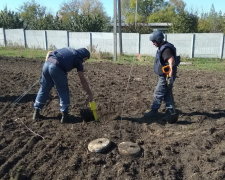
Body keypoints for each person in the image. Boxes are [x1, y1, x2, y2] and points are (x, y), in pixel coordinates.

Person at [32, 47, 93, 123]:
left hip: (47, 63)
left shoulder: (69, 49)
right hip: (57, 68)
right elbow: (82, 79)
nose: (84, 62)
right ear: (85, 57)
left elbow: (49, 53)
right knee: (63, 90)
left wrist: (47, 70)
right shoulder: (78, 59)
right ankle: (65, 116)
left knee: (44, 88)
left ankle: (36, 112)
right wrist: (89, 93)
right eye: (85, 60)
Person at [144, 30, 179, 123]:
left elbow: (171, 61)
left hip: (166, 76)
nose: (153, 43)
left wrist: (170, 75)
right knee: (167, 94)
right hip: (165, 75)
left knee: (158, 93)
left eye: (154, 41)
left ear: (159, 40)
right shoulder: (163, 47)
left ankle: (154, 111)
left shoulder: (166, 49)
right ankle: (171, 112)